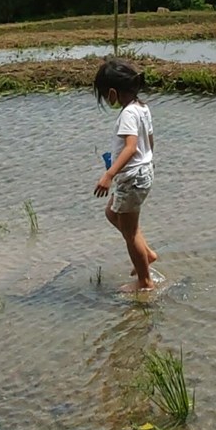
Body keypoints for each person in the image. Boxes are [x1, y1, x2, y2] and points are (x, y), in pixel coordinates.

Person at [91, 56, 160, 292]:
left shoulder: (127, 114)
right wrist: (145, 161)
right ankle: (147, 253)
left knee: (130, 234)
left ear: (112, 93)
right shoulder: (142, 108)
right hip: (142, 173)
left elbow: (131, 147)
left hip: (131, 178)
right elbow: (148, 140)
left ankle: (145, 282)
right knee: (112, 213)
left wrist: (109, 174)